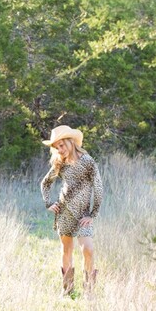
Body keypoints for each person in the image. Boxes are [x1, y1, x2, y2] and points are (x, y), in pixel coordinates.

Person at [40, 125, 103, 296]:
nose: (60, 150)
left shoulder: (88, 161)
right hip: (64, 212)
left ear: (71, 142)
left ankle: (89, 291)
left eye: (62, 145)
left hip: (83, 214)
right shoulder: (59, 163)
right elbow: (45, 183)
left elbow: (98, 187)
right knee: (66, 250)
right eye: (56, 147)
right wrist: (48, 203)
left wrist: (93, 213)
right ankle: (67, 291)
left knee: (87, 249)